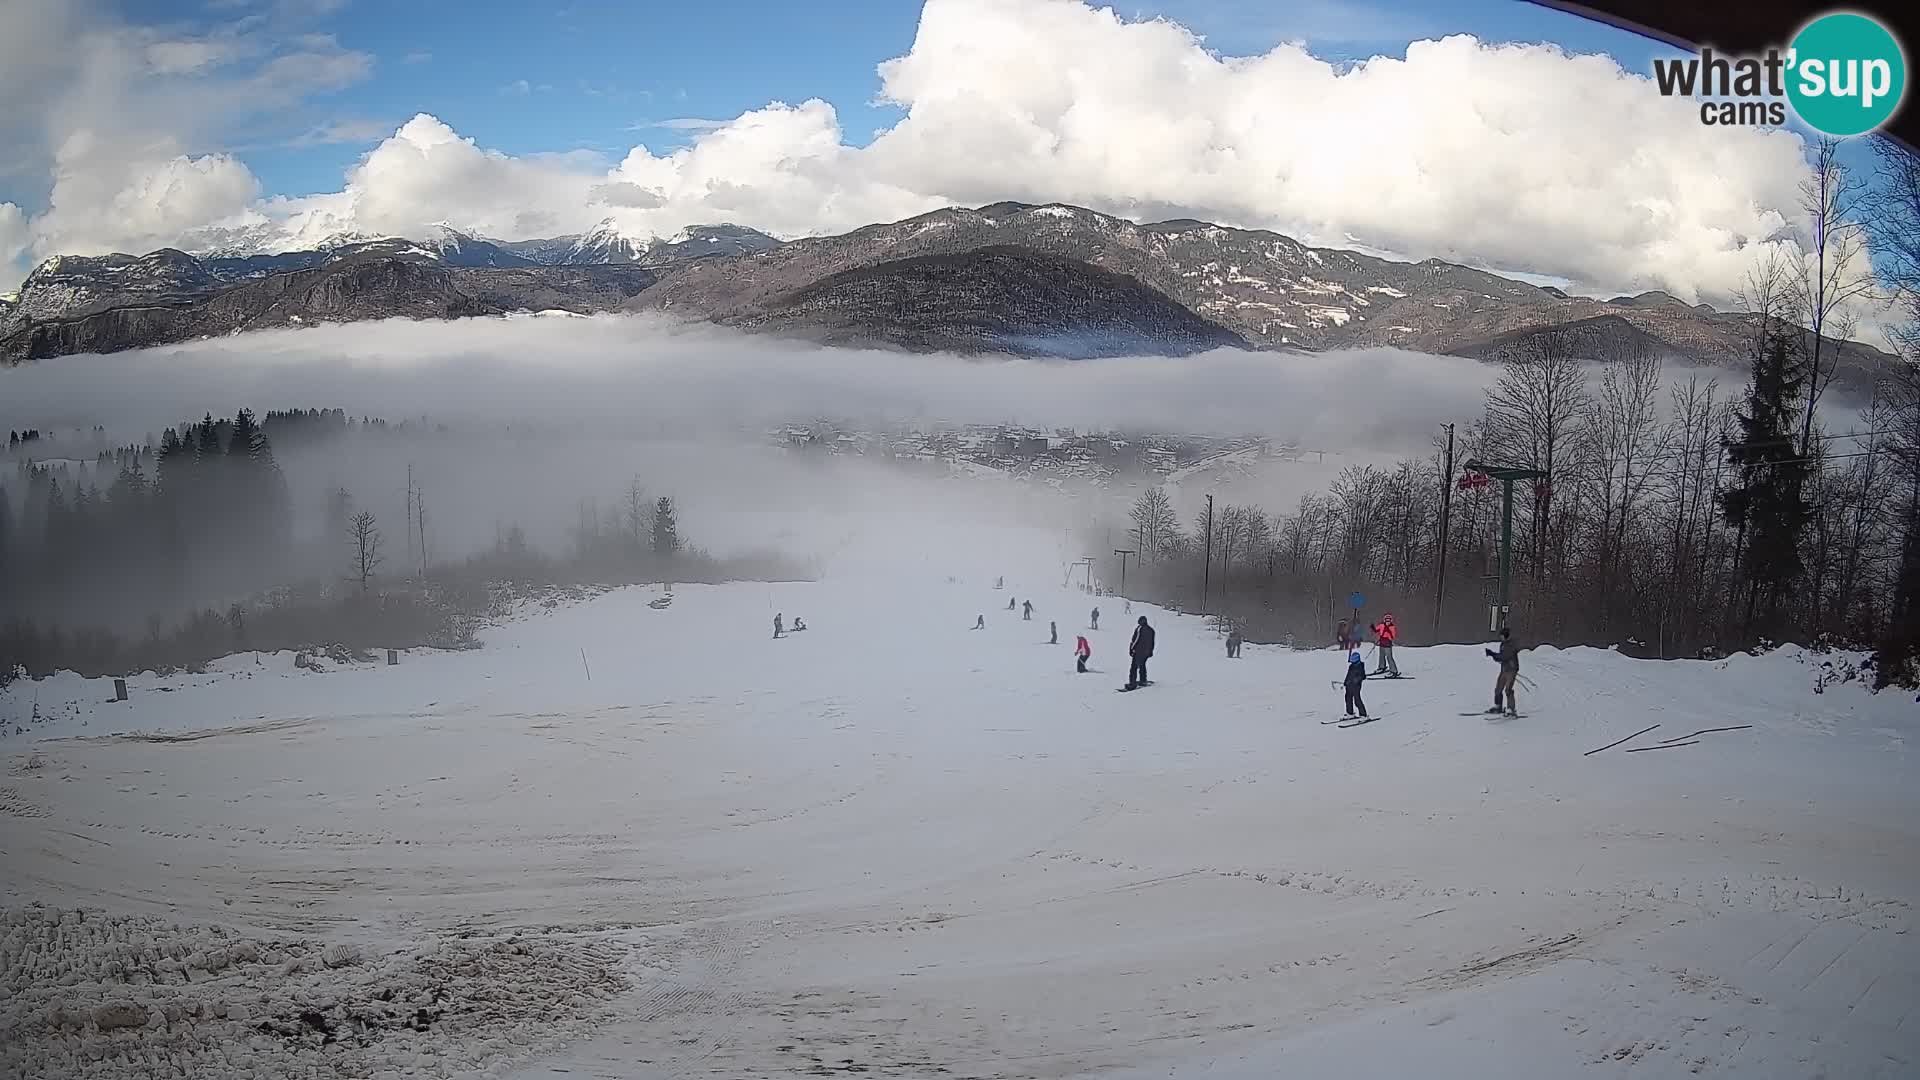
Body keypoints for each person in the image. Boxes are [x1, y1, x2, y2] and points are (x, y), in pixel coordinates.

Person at [1486, 627, 1520, 715]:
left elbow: (1505, 656)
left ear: (1505, 636)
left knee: (1508, 689)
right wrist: (1493, 655)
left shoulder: (1511, 645)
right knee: (1498, 689)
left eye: (1501, 636)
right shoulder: (1503, 644)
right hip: (1504, 669)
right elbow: (1501, 657)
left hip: (1511, 670)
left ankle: (1511, 709)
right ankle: (1498, 706)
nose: (1500, 637)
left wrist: (1493, 654)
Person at [1126, 616, 1156, 689]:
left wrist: (1131, 648)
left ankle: (1132, 683)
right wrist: (1150, 651)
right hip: (1146, 652)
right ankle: (1143, 680)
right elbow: (1152, 642)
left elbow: (1136, 640)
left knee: (1134, 667)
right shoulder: (1151, 630)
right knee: (1142, 665)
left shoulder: (1140, 628)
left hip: (1138, 651)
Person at [1343, 649, 1369, 718]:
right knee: (1348, 699)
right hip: (1349, 686)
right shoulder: (1351, 666)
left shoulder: (1360, 666)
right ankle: (1350, 713)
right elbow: (1348, 675)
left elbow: (1362, 676)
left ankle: (1363, 715)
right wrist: (1346, 682)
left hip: (1356, 686)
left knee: (1357, 700)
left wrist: (1356, 680)